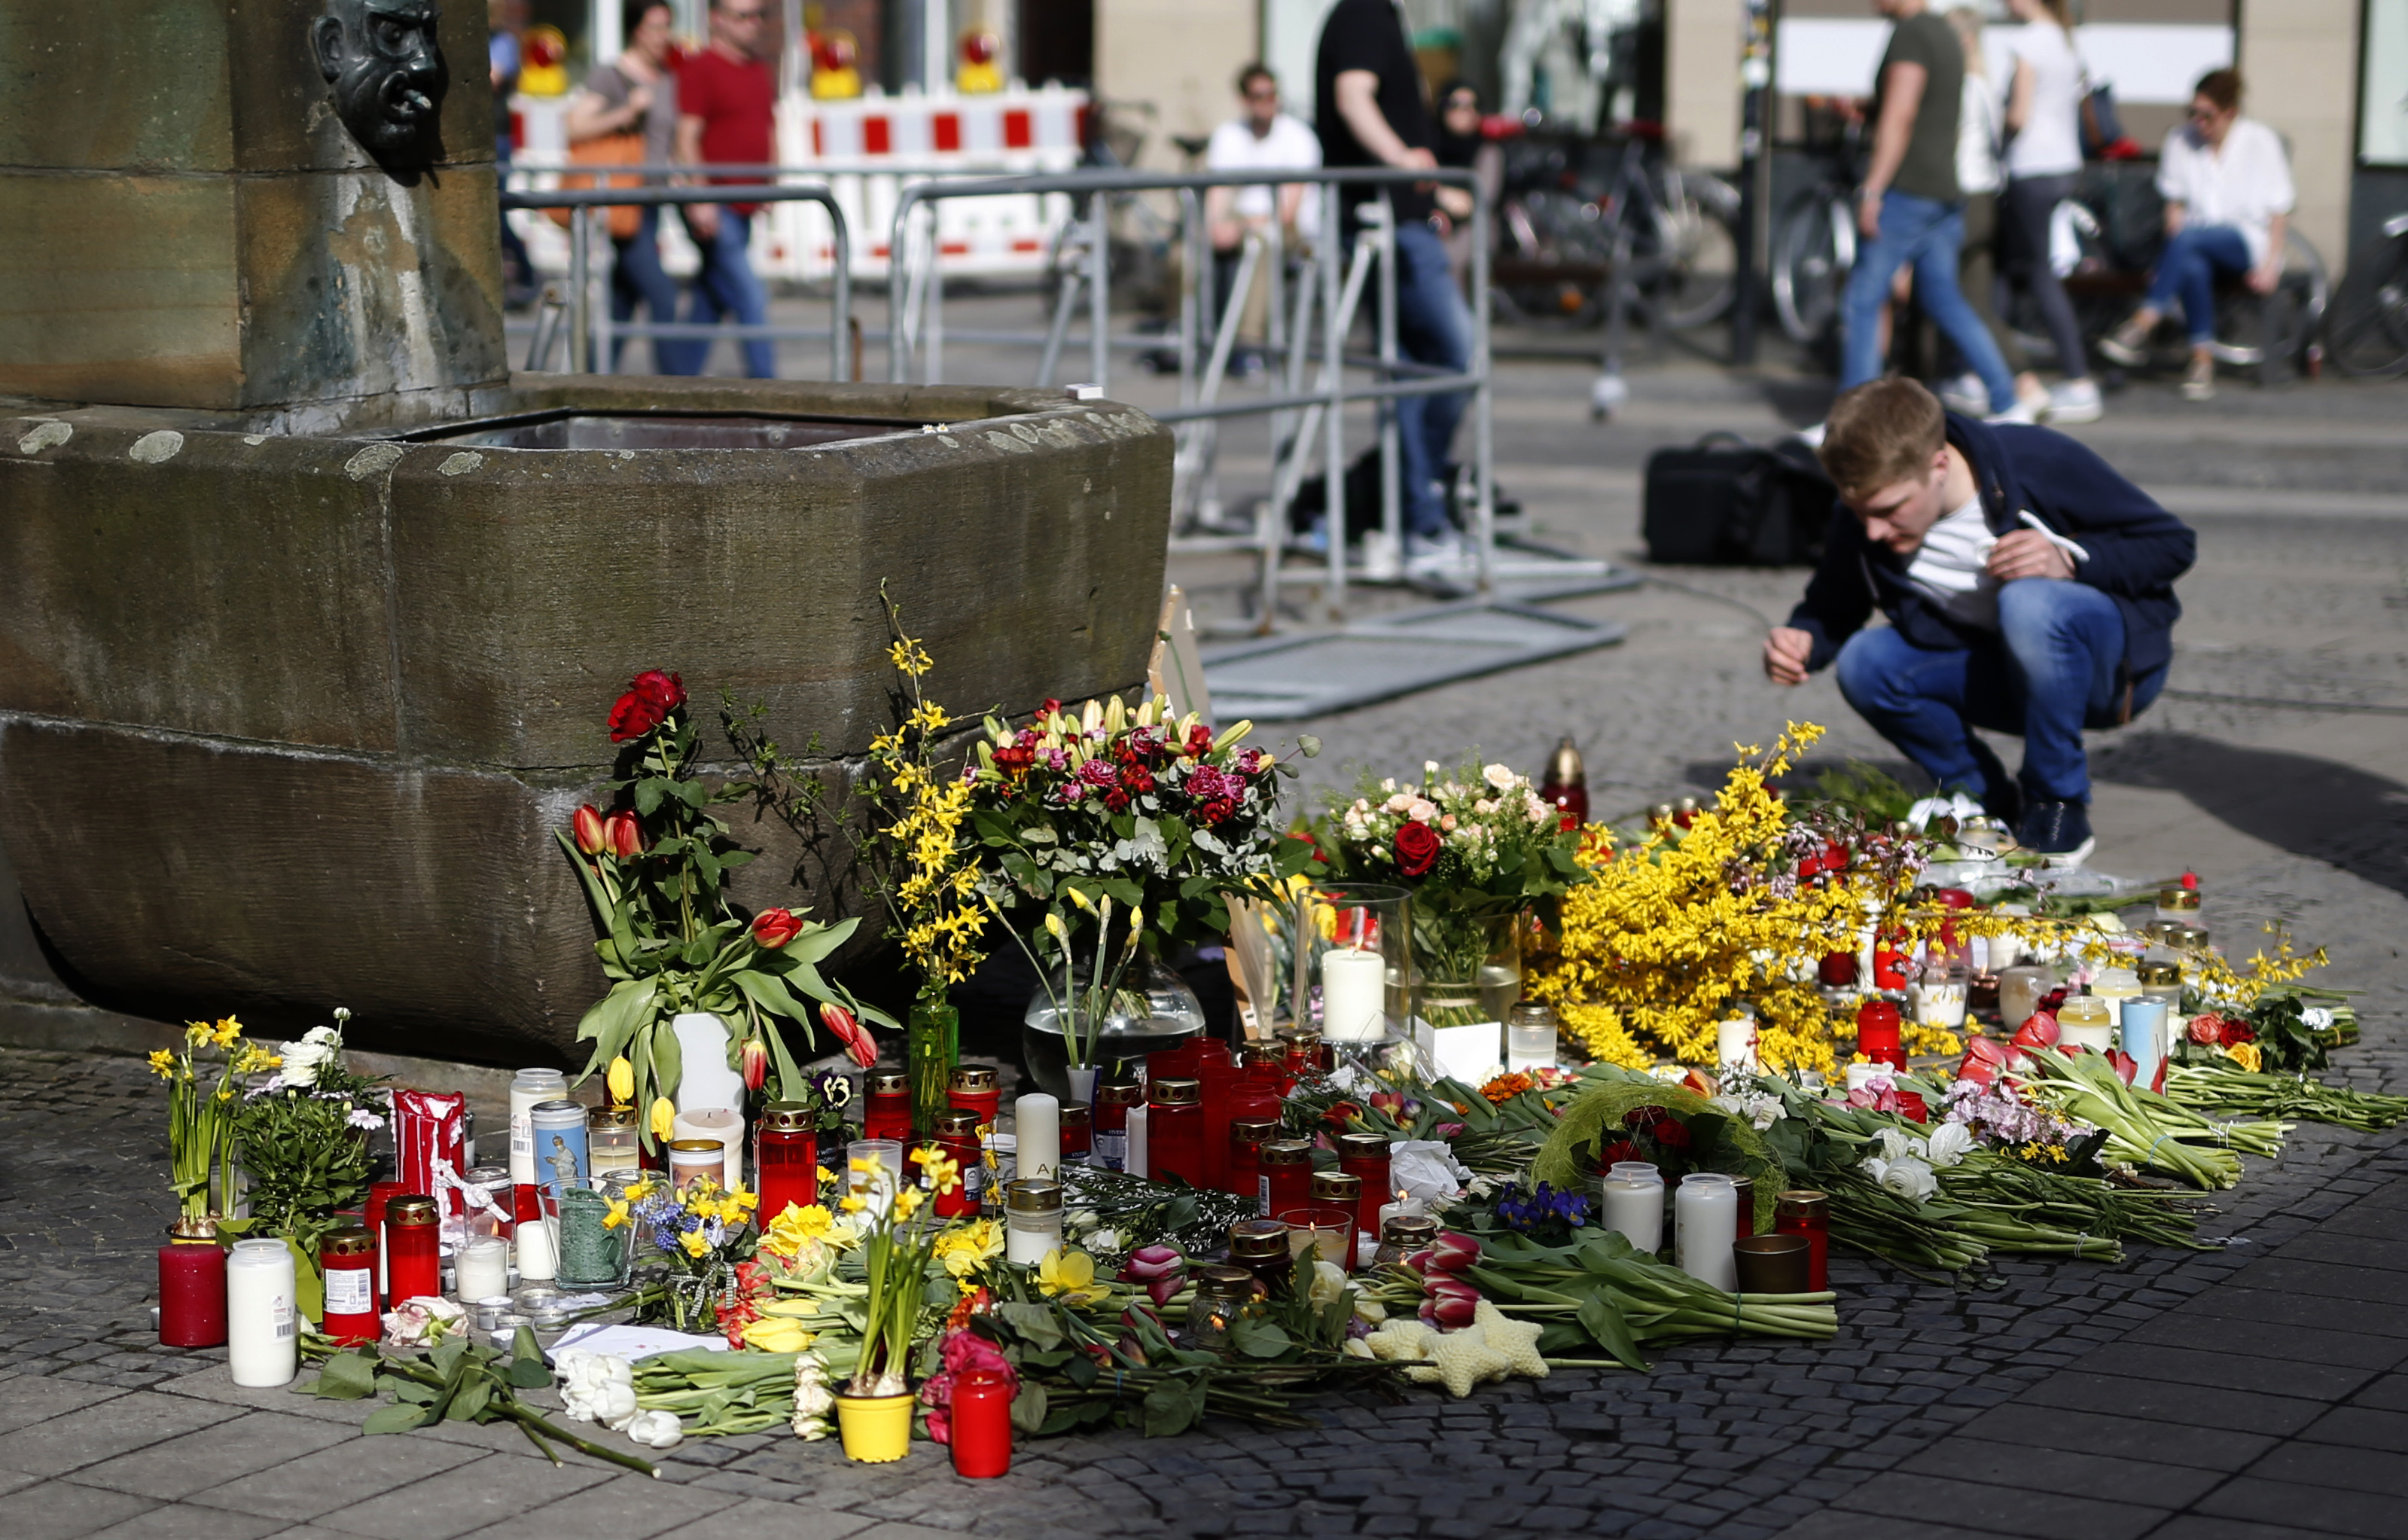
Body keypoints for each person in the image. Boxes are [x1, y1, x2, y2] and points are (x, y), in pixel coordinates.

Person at [1761, 377, 2194, 862]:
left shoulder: (2034, 461)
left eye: (1889, 509)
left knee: (2028, 602)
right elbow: (1833, 604)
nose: (1873, 531)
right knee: (1866, 661)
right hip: (2004, 675)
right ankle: (1983, 802)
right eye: (1859, 513)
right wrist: (1803, 638)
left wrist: (2071, 560)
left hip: (2108, 674)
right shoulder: (1865, 516)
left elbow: (2172, 544)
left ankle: (2057, 801)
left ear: (1939, 465)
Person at [1316, 0, 1477, 571]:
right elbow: (1352, 95)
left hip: (1399, 220)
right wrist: (1402, 161)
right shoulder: (1363, 14)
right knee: (1460, 355)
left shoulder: (1376, 16)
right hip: (1391, 226)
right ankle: (1421, 498)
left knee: (1411, 372)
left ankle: (1416, 514)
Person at [1838, 0, 2028, 424]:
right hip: (1945, 190)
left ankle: (1853, 421)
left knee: (1864, 299)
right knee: (1945, 299)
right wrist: (1869, 109)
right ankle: (2008, 401)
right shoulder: (1944, 34)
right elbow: (1925, 108)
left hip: (1908, 188)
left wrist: (1872, 190)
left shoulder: (1912, 34)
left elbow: (1902, 114)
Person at [2099, 69, 2293, 403]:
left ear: (2230, 113)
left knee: (2189, 241)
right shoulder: (2180, 140)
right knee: (2192, 262)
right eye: (2192, 113)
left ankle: (2144, 322)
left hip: (2245, 243)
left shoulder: (2260, 141)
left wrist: (2271, 263)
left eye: (2207, 116)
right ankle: (2202, 364)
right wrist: (2173, 255)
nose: (2198, 122)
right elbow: (2174, 207)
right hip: (2194, 244)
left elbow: (2279, 210)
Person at [1919, 7, 2044, 416]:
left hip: (1960, 197)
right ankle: (2023, 384)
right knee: (1976, 302)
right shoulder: (1984, 85)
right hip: (1986, 197)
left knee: (1934, 290)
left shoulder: (1959, 85)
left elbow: (1943, 147)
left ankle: (1926, 384)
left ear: (1967, 41)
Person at [565, 2, 695, 374]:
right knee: (663, 295)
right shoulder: (613, 75)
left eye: (667, 27)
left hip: (654, 201)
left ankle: (588, 378)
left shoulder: (668, 77)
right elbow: (575, 127)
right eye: (655, 27)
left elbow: (671, 141)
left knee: (624, 298)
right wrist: (627, 112)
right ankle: (677, 391)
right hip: (625, 201)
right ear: (635, 30)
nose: (662, 36)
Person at [1997, 0, 2101, 422]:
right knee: (2007, 268)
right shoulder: (2063, 40)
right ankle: (1987, 366)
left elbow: (2018, 115)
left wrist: (1994, 126)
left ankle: (2078, 380)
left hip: (2031, 166)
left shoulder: (2027, 42)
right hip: (2063, 165)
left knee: (2036, 271)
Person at [677, 0, 779, 378]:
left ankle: (677, 377)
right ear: (717, 20)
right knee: (750, 295)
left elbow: (768, 128)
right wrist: (700, 197)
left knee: (711, 297)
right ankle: (771, 390)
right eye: (743, 16)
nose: (753, 24)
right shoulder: (701, 68)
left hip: (748, 201)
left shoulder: (758, 69)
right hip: (717, 202)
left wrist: (772, 182)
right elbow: (686, 137)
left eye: (758, 15)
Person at [1202, 64, 1321, 374]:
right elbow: (1218, 195)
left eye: (1272, 94)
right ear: (1244, 99)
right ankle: (1188, 336)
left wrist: (1239, 226)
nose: (1267, 101)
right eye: (1259, 95)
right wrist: (1214, 226)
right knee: (1187, 245)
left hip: (1289, 227)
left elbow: (1286, 212)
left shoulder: (1298, 137)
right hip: (1242, 220)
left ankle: (1249, 345)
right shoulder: (1229, 135)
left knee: (1261, 245)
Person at [489, 1, 537, 308]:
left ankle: (528, 274)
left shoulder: (503, 42)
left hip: (497, 136)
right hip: (490, 135)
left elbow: (493, 79)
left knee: (499, 211)